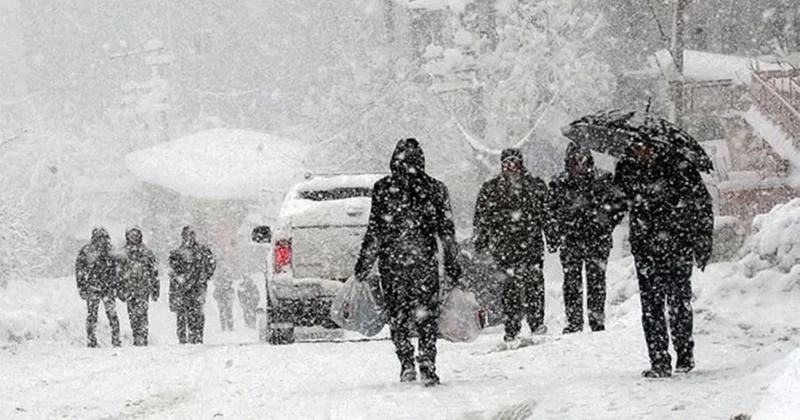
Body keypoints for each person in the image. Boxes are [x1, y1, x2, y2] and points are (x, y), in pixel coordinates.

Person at [354, 138, 462, 386]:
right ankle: (427, 360)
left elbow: (375, 231)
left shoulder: (383, 189)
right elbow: (446, 232)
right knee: (426, 316)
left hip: (393, 264)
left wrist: (364, 264)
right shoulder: (435, 188)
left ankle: (406, 362)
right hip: (424, 262)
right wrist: (453, 265)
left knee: (398, 315)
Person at [614, 141, 713, 378]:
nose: (642, 151)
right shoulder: (627, 168)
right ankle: (659, 360)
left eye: (645, 147)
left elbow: (701, 204)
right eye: (637, 147)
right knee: (651, 307)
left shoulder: (679, 166)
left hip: (677, 246)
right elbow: (617, 203)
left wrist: (702, 241)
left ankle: (684, 355)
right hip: (646, 248)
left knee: (678, 303)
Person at [473, 148, 550, 342]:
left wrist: (553, 236)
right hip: (504, 246)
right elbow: (481, 218)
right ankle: (512, 327)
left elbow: (547, 214)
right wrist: (481, 243)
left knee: (534, 285)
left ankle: (536, 322)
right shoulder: (491, 188)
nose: (511, 167)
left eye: (514, 162)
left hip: (531, 244)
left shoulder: (535, 186)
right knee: (509, 289)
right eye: (507, 162)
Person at [548, 144, 624, 334]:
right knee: (572, 282)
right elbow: (550, 211)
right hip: (571, 240)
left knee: (596, 281)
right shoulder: (559, 183)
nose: (579, 164)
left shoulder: (604, 180)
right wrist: (559, 229)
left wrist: (605, 224)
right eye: (575, 160)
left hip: (597, 239)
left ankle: (596, 321)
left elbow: (618, 206)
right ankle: (574, 322)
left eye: (582, 159)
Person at [169, 226, 216, 344]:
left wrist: (205, 275)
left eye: (192, 235)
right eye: (187, 235)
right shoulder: (177, 253)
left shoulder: (202, 250)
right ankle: (183, 338)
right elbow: (173, 269)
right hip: (182, 287)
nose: (190, 238)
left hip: (197, 287)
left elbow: (211, 262)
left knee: (197, 313)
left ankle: (197, 337)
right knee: (181, 314)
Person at [75, 227, 121, 348]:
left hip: (104, 287)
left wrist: (116, 284)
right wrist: (82, 286)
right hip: (95, 287)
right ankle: (93, 340)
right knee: (95, 315)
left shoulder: (109, 251)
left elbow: (118, 270)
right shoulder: (88, 251)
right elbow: (80, 270)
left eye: (103, 237)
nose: (101, 240)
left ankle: (114, 339)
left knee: (109, 314)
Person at [117, 227, 159, 346]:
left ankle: (143, 336)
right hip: (129, 289)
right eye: (131, 235)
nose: (134, 237)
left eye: (136, 235)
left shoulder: (147, 252)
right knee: (132, 314)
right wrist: (119, 289)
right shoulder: (123, 253)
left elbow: (154, 272)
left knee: (142, 313)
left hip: (143, 288)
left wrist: (155, 289)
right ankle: (136, 335)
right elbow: (118, 273)